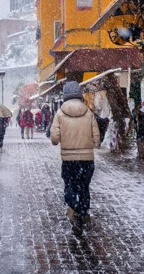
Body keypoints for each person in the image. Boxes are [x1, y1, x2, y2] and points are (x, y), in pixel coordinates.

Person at [50, 81, 100, 237]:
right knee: (84, 185)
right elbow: (97, 139)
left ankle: (73, 210)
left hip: (68, 158)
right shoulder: (89, 113)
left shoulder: (59, 113)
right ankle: (83, 211)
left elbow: (54, 138)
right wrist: (90, 144)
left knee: (70, 184)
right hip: (86, 158)